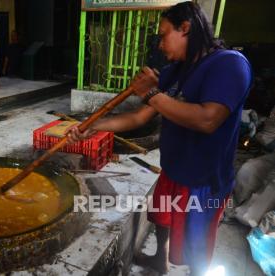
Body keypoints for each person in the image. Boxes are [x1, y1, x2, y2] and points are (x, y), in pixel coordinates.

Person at [67, 2, 252, 275]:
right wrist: (93, 126)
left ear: (185, 28)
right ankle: (159, 260)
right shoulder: (176, 70)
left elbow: (207, 119)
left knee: (196, 247)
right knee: (161, 218)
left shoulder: (229, 64)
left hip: (203, 181)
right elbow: (139, 117)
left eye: (164, 35)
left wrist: (152, 92)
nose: (161, 45)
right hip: (173, 168)